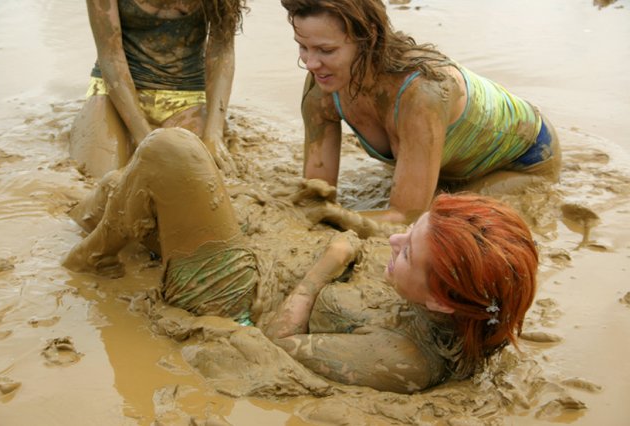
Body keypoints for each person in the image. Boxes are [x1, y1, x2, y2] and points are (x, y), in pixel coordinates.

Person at [63, 127, 538, 393]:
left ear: (442, 300)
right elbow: (404, 238)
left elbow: (275, 346)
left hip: (233, 302)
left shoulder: (404, 359)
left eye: (408, 250)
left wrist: (324, 267)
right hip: (264, 264)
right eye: (410, 232)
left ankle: (84, 260)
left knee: (172, 151)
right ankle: (97, 229)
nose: (395, 241)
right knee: (115, 189)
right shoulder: (459, 302)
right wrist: (356, 222)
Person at [280, 0, 562, 225]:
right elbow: (317, 190)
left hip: (525, 158)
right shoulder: (324, 85)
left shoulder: (421, 94)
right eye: (302, 47)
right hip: (452, 163)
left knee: (445, 219)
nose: (310, 63)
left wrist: (336, 218)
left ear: (369, 39)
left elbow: (407, 216)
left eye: (325, 50)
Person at [69, 0, 246, 178]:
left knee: (195, 178)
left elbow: (221, 50)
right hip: (115, 93)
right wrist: (144, 140)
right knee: (101, 180)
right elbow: (111, 54)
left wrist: (213, 133)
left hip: (187, 94)